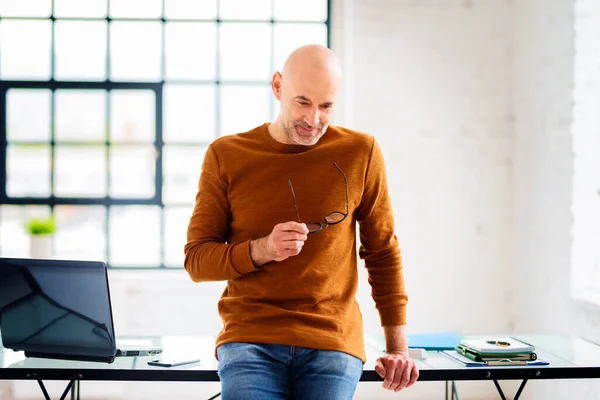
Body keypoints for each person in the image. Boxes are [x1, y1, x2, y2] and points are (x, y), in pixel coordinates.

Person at [184, 44, 419, 399]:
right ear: (278, 86)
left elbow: (382, 251)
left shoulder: (361, 152)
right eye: (303, 102)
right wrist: (262, 249)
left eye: (326, 106)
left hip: (332, 339)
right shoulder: (226, 155)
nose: (313, 120)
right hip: (250, 337)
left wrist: (398, 349)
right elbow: (197, 261)